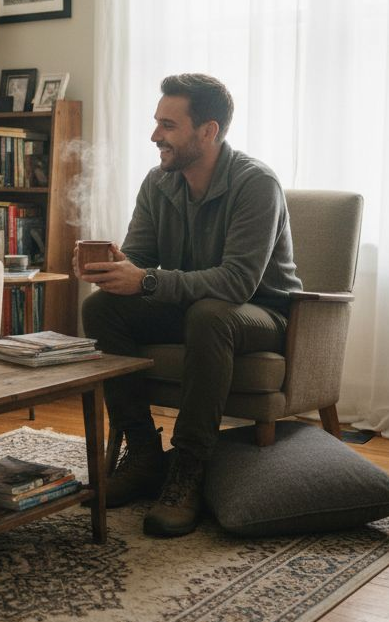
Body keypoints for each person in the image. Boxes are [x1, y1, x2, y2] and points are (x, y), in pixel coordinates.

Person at [79, 73, 301, 538]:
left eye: (168, 125)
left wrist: (148, 280)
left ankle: (188, 469)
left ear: (208, 131)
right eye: (156, 122)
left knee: (210, 315)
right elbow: (139, 259)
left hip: (261, 313)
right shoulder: (159, 182)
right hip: (194, 306)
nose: (155, 135)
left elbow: (238, 282)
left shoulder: (256, 184)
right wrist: (114, 269)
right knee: (101, 309)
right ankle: (141, 453)